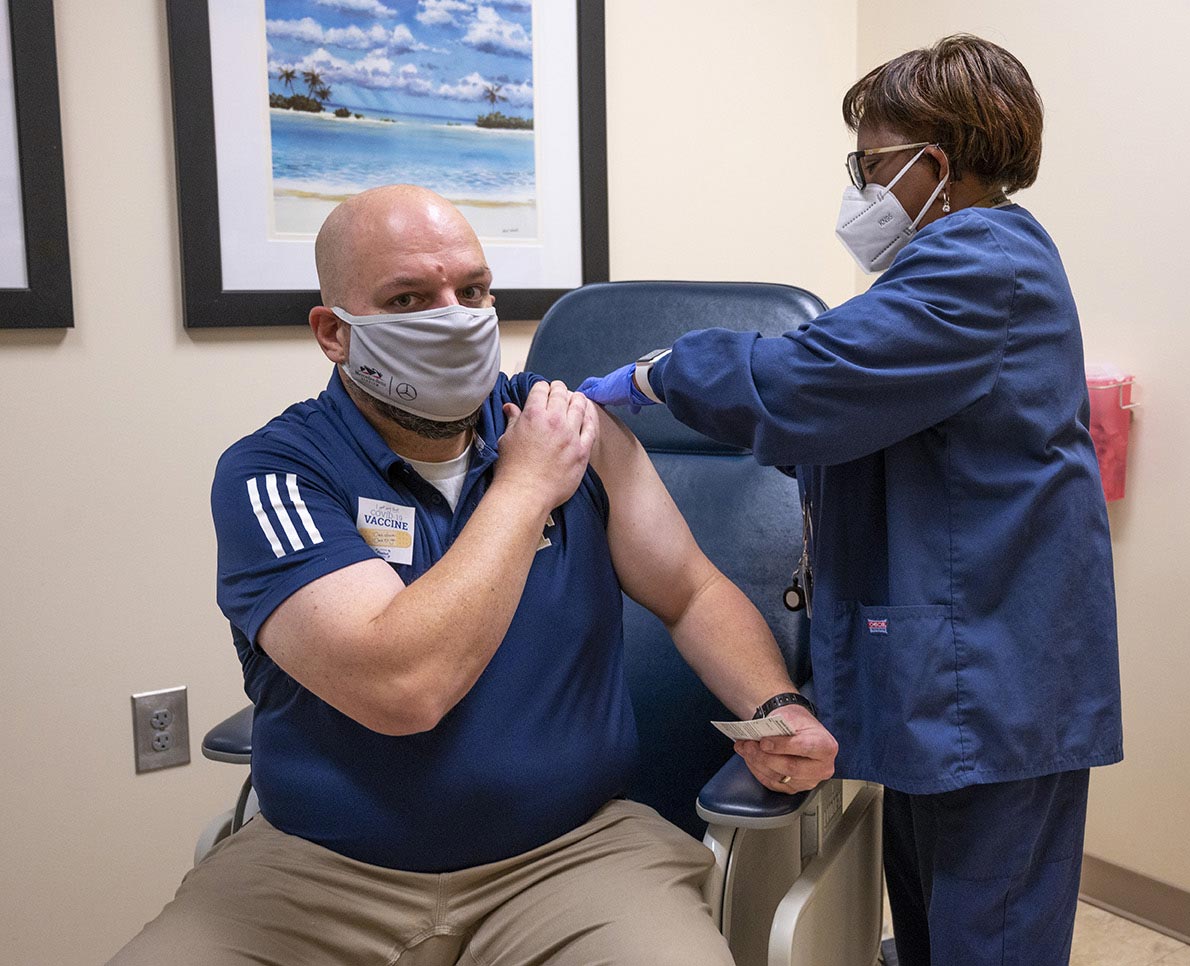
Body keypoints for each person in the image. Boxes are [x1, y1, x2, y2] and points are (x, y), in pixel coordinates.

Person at [109, 184, 837, 966]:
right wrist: (523, 489)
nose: (456, 317)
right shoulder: (277, 475)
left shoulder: (572, 431)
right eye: (411, 298)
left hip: (574, 855)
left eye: (474, 290)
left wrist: (777, 704)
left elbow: (691, 591)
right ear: (333, 332)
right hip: (319, 873)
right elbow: (403, 687)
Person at [578, 34, 1122, 966]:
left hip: (995, 677)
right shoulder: (947, 269)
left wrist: (658, 372)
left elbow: (803, 384)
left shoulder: (980, 262)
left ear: (934, 166)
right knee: (930, 924)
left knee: (986, 938)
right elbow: (867, 436)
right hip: (953, 667)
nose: (860, 188)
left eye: (869, 165)